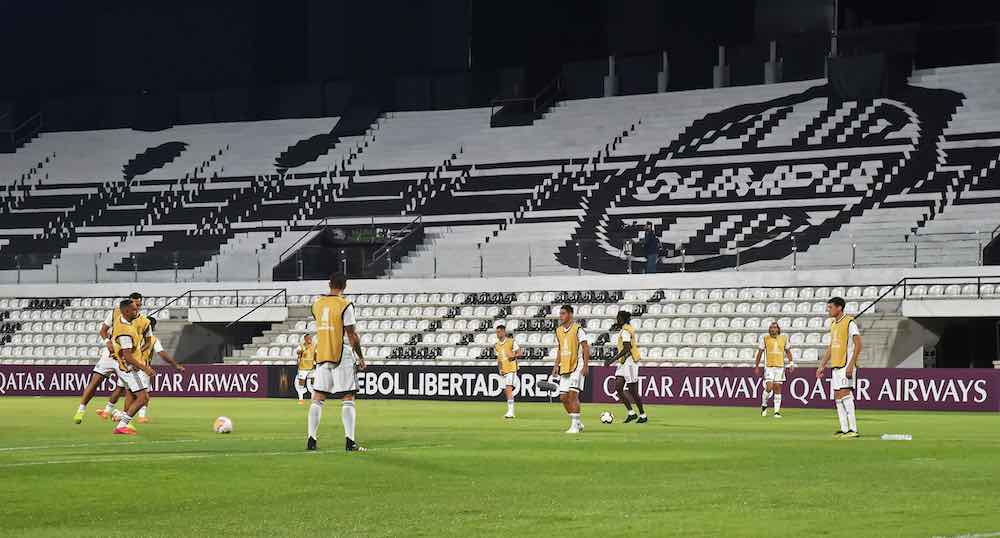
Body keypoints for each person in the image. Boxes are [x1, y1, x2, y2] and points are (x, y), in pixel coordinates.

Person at [307, 273, 367, 452]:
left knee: (317, 398)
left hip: (322, 354)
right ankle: (350, 441)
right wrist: (360, 357)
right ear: (345, 286)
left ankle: (311, 439)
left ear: (329, 284)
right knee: (348, 397)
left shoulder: (316, 304)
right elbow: (351, 334)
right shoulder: (345, 305)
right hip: (340, 354)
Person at [73, 292, 146, 424]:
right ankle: (81, 410)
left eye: (138, 304)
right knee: (95, 381)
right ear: (128, 304)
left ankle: (122, 420)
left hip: (124, 358)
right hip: (110, 355)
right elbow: (103, 330)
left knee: (128, 389)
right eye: (134, 303)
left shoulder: (142, 320)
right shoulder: (115, 313)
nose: (137, 306)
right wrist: (107, 342)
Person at [816, 297, 862, 438]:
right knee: (837, 397)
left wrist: (851, 364)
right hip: (836, 365)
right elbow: (831, 346)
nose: (827, 310)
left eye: (830, 307)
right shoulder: (833, 324)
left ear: (839, 307)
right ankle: (844, 429)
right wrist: (822, 365)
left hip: (846, 364)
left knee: (845, 395)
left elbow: (858, 344)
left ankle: (853, 430)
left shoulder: (849, 322)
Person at [109, 300, 156, 435]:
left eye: (137, 309)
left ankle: (122, 422)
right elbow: (128, 356)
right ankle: (122, 425)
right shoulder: (125, 333)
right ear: (126, 312)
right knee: (143, 398)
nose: (137, 312)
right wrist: (145, 368)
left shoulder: (122, 320)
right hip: (130, 368)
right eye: (134, 310)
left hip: (127, 367)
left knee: (138, 396)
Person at [132, 317, 185, 423]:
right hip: (142, 368)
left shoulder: (133, 335)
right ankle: (139, 416)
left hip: (127, 367)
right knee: (144, 394)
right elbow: (162, 354)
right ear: (152, 327)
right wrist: (175, 365)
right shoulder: (152, 339)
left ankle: (117, 413)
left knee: (129, 392)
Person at [551, 305, 590, 434]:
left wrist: (585, 366)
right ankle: (577, 422)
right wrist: (556, 365)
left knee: (573, 395)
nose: (560, 316)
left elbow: (585, 347)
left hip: (576, 366)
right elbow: (560, 349)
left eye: (563, 313)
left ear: (570, 314)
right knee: (563, 397)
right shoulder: (558, 331)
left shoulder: (578, 329)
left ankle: (574, 426)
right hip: (565, 366)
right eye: (560, 313)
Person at [605, 310, 647, 423]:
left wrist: (612, 360)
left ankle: (643, 415)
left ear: (622, 319)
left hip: (630, 362)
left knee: (632, 390)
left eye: (618, 318)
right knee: (618, 388)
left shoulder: (626, 331)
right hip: (623, 362)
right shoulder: (625, 329)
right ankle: (631, 413)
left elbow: (627, 348)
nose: (617, 320)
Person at [754, 321, 794, 418]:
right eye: (771, 327)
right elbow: (760, 353)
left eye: (775, 327)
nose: (773, 329)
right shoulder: (765, 338)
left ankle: (776, 412)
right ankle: (764, 405)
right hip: (769, 366)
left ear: (778, 329)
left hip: (780, 367)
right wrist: (757, 366)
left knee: (777, 388)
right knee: (769, 387)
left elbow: (788, 351)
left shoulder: (784, 338)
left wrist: (791, 363)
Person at [494, 324, 523, 419]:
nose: (497, 334)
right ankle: (510, 410)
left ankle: (511, 412)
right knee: (506, 391)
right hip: (504, 370)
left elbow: (520, 353)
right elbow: (499, 359)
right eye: (496, 332)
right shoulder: (497, 345)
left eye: (499, 332)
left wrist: (513, 356)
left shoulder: (511, 342)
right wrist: (500, 369)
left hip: (512, 369)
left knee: (508, 388)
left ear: (503, 332)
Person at [295, 334, 317, 405]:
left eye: (310, 338)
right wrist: (302, 350)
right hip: (303, 367)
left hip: (311, 367)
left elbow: (316, 355)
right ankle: (301, 399)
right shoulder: (301, 346)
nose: (310, 339)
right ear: (305, 339)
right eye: (308, 338)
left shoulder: (314, 346)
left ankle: (313, 398)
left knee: (313, 382)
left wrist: (316, 363)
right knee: (302, 382)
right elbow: (297, 352)